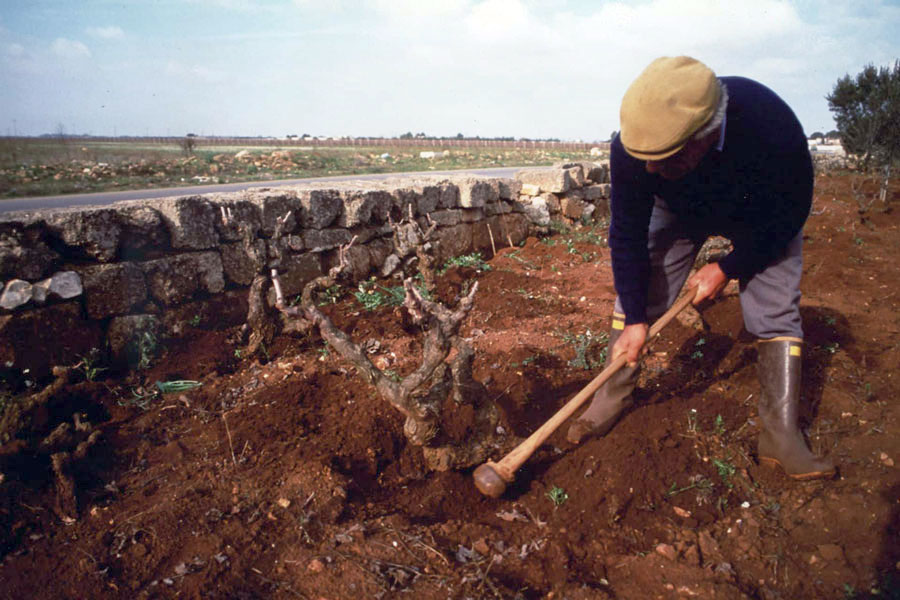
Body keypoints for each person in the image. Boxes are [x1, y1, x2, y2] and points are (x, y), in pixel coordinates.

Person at [567, 56, 835, 481]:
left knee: (775, 309)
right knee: (643, 291)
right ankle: (609, 399)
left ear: (703, 138)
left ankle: (780, 437)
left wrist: (728, 266)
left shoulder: (771, 126)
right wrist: (636, 318)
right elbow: (628, 235)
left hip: (759, 213)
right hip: (678, 209)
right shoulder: (637, 146)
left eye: (663, 160)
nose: (649, 171)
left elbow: (790, 214)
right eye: (644, 160)